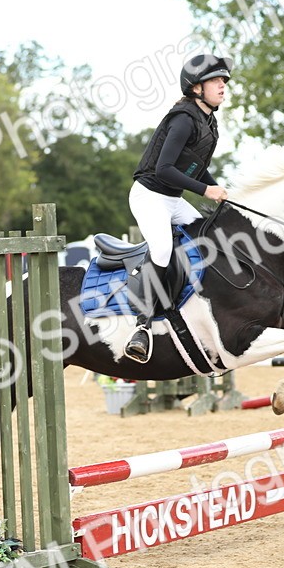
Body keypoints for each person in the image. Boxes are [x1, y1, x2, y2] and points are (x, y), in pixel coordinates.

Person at [124, 53, 232, 363]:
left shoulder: (208, 121)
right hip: (149, 195)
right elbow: (164, 170)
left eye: (224, 81)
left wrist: (220, 189)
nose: (223, 86)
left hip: (172, 199)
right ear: (197, 87)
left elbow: (195, 169)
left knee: (207, 237)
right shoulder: (184, 119)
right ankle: (142, 326)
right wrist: (205, 190)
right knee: (161, 250)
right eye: (216, 81)